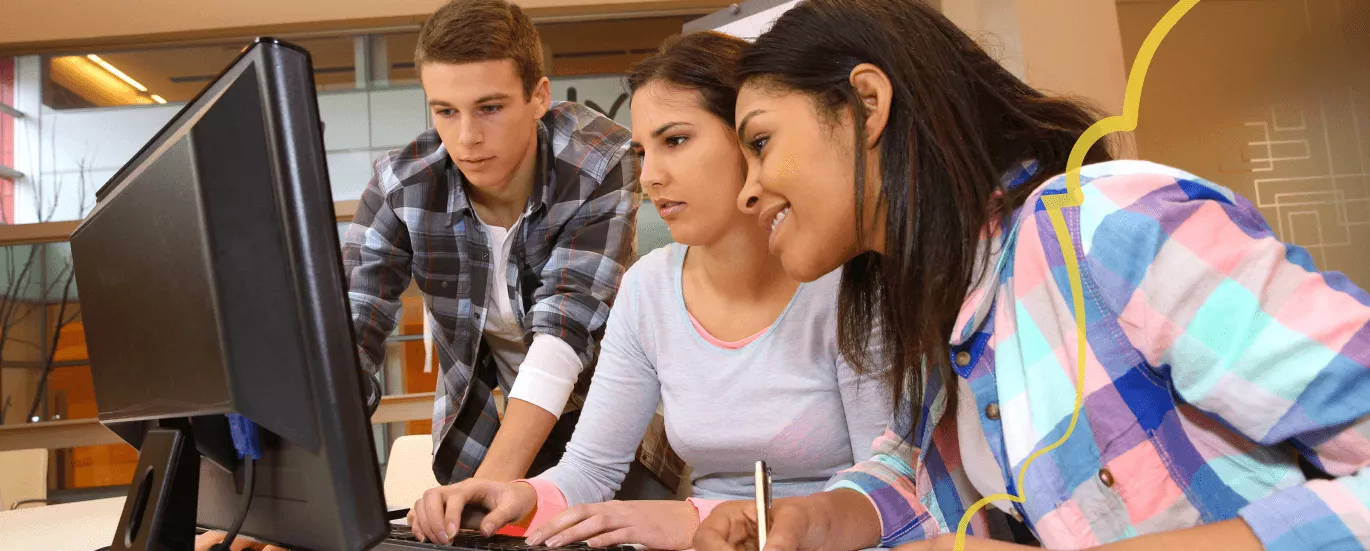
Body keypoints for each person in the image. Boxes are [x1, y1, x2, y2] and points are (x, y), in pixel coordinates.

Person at [692, 1, 1370, 551]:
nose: (748, 191)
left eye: (760, 143)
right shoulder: (937, 301)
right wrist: (809, 521)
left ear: (867, 103)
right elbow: (917, 476)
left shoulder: (1106, 224)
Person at [404, 31, 892, 549]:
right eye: (641, 150)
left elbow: (892, 493)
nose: (651, 176)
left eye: (676, 141)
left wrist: (693, 519)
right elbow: (590, 468)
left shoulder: (851, 282)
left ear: (752, 140)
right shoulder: (647, 288)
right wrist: (517, 495)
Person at [197, 0, 646, 548]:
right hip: (483, 426)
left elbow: (563, 332)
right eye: (445, 111)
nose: (467, 138)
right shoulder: (404, 183)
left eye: (490, 107)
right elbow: (348, 340)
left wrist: (489, 488)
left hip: (601, 423)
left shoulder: (599, 161)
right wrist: (271, 511)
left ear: (539, 97)